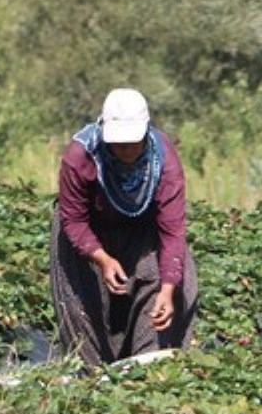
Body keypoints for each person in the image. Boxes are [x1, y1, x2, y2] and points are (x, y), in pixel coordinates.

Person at [50, 88, 198, 366]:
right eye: (119, 142)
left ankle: (148, 376)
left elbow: (172, 231)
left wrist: (167, 289)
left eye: (133, 141)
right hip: (88, 231)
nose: (126, 149)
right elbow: (73, 219)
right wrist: (101, 258)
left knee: (160, 295)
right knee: (82, 309)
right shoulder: (80, 156)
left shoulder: (164, 161)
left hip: (144, 230)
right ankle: (91, 381)